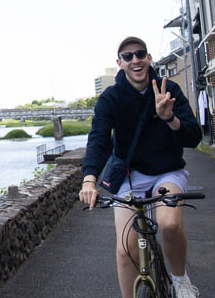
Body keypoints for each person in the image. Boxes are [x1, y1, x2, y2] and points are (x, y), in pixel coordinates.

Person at [79, 36, 202, 298]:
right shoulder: (111, 98)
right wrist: (89, 180)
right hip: (129, 176)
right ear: (120, 63)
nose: (135, 60)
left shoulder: (170, 90)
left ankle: (180, 281)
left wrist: (170, 118)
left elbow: (193, 137)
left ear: (148, 58)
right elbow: (99, 140)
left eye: (140, 54)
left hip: (167, 171)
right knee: (125, 250)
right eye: (128, 56)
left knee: (168, 223)